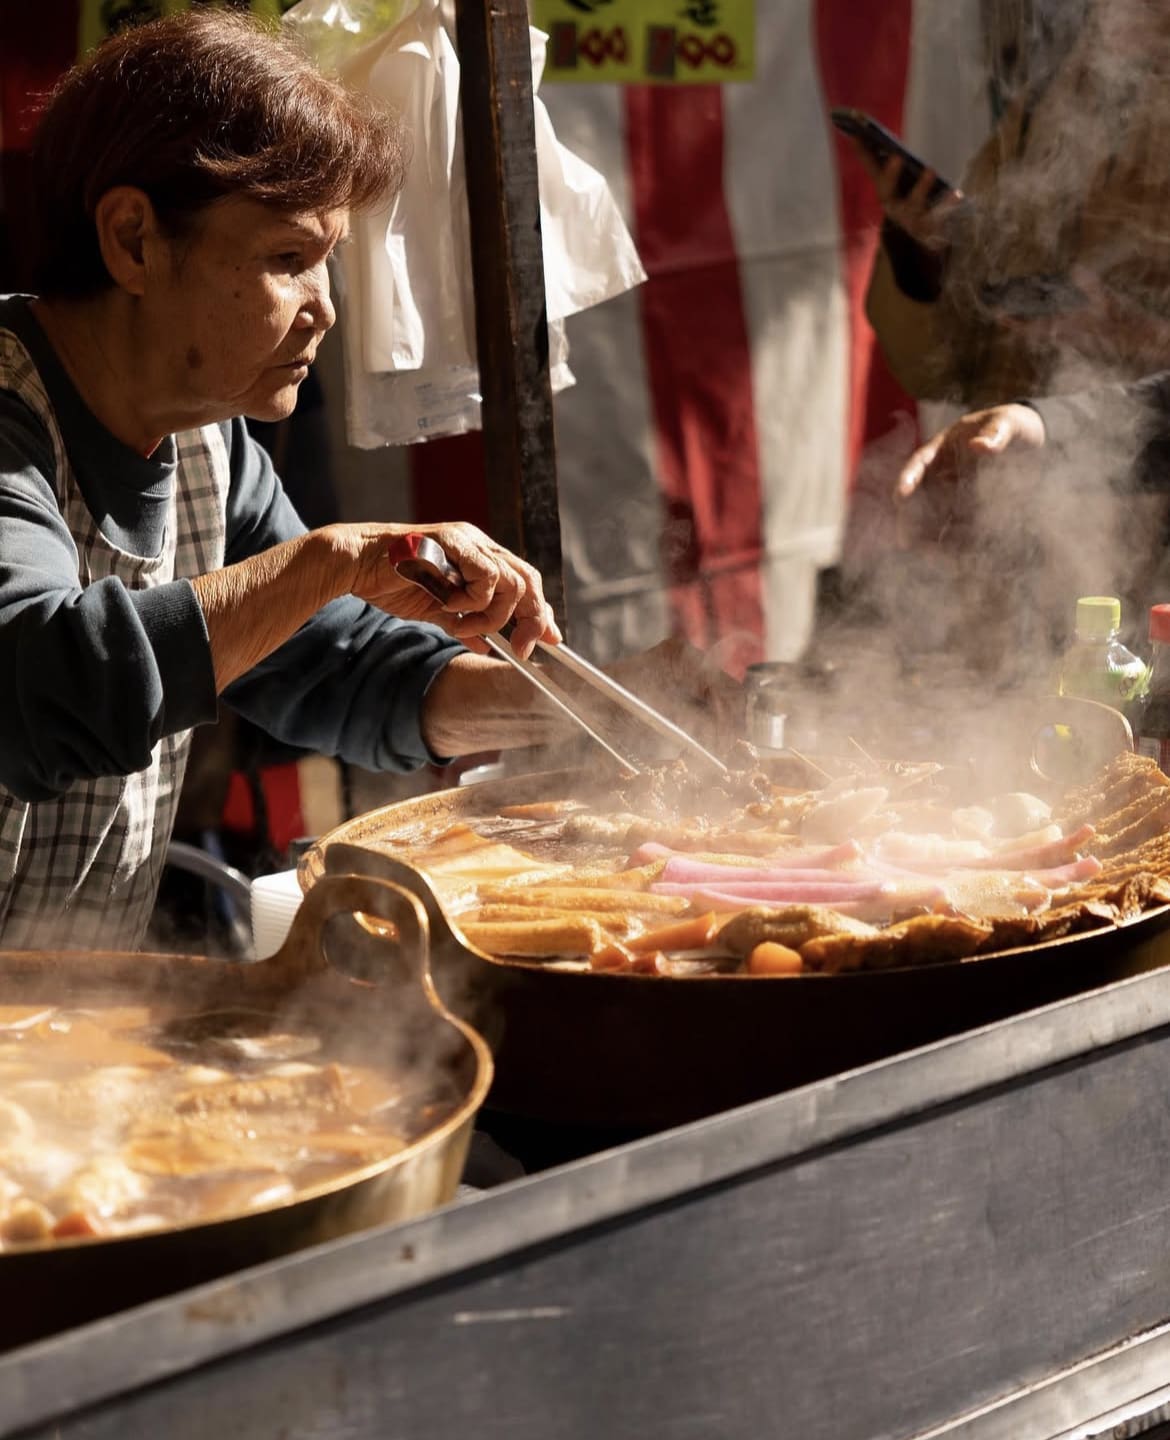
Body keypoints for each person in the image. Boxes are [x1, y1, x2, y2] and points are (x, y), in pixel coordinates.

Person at [0, 10, 736, 952]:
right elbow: (38, 682)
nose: (326, 312)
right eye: (286, 260)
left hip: (65, 1038)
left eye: (330, 264)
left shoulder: (210, 447)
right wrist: (329, 561)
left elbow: (337, 671)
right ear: (134, 241)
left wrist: (589, 703)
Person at [857, 0, 1170, 408]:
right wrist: (924, 258)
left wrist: (1131, 338)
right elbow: (938, 372)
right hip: (1006, 466)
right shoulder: (1046, 101)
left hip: (1132, 468)